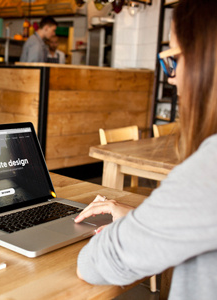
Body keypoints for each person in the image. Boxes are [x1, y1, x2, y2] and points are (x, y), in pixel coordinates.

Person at [74, 0, 217, 299]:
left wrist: (129, 231)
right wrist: (144, 219)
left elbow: (95, 264)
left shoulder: (208, 170)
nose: (171, 76)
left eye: (172, 59)